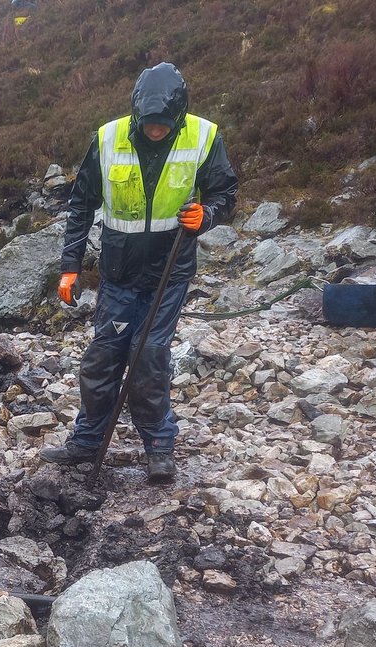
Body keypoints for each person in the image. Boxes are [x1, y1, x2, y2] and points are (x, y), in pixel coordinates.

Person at [42, 62, 238, 483]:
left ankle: (159, 446)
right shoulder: (108, 138)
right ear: (136, 113)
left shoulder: (203, 136)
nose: (155, 130)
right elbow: (81, 205)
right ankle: (87, 440)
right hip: (119, 273)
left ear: (179, 116)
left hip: (170, 273)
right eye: (149, 123)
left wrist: (206, 215)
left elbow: (225, 193)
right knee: (103, 355)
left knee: (148, 355)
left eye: (163, 125)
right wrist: (70, 268)